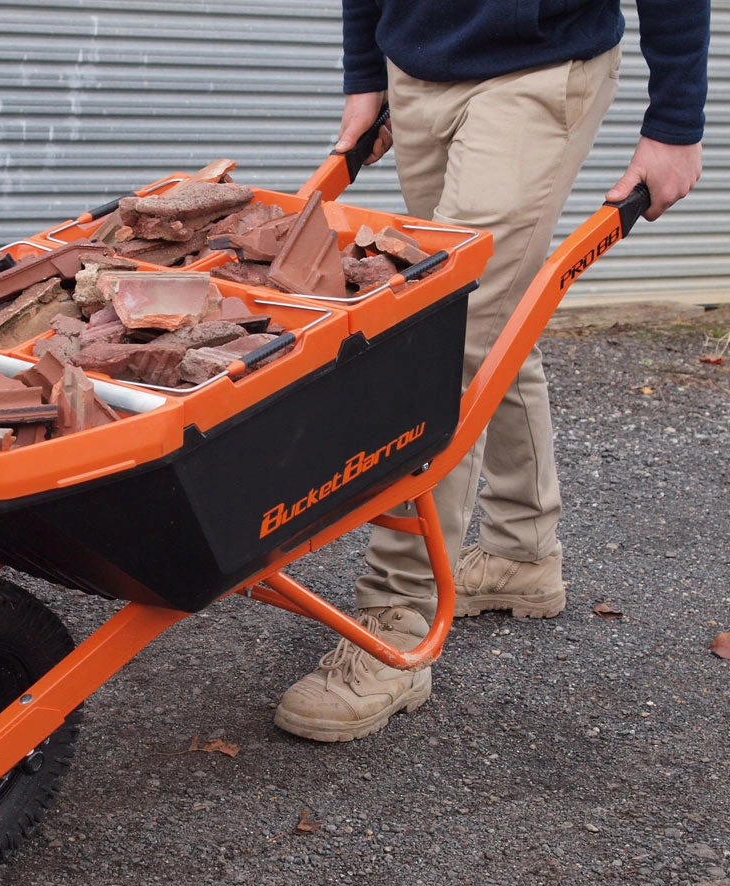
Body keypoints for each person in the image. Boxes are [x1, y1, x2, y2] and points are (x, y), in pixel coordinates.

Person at [273, 0, 709, 742]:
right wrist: (366, 70)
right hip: (416, 65)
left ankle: (395, 619)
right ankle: (520, 551)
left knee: (445, 334)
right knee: (491, 315)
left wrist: (675, 122)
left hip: (537, 66)